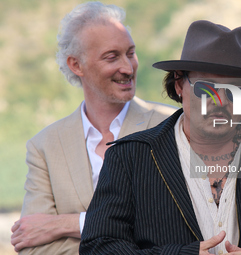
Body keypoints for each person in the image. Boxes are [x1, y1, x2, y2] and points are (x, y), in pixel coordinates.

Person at [79, 20, 241, 254]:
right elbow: (99, 246)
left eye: (235, 90)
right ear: (179, 85)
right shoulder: (129, 157)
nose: (220, 101)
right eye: (206, 88)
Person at [10, 2, 177, 254]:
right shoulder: (44, 146)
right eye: (112, 56)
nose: (128, 67)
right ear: (76, 65)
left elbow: (174, 227)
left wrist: (67, 224)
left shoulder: (173, 125)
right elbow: (33, 245)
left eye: (131, 53)